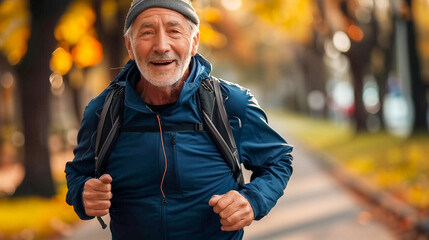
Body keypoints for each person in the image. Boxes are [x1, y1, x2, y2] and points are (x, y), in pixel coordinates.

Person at [65, 0, 293, 239]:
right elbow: (77, 174)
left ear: (194, 42)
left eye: (174, 31)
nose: (161, 46)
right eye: (147, 32)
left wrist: (253, 200)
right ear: (130, 47)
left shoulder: (231, 104)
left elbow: (278, 160)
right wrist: (83, 194)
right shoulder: (103, 111)